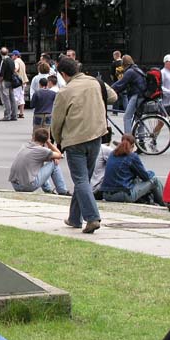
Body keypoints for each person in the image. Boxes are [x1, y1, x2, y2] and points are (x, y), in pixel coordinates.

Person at [52, 57, 117, 234]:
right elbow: (113, 96)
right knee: (84, 179)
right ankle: (74, 217)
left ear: (63, 74)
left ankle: (92, 217)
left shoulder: (65, 92)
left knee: (80, 180)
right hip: (96, 136)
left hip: (74, 140)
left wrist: (58, 140)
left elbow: (56, 121)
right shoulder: (95, 82)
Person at [99, 134, 165, 205]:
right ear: (133, 145)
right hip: (123, 195)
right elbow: (145, 177)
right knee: (155, 180)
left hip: (106, 195)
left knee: (136, 180)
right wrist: (151, 173)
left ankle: (147, 200)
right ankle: (163, 203)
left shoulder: (112, 154)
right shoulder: (132, 156)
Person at [9, 128, 69, 195]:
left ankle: (48, 190)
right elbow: (59, 155)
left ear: (34, 137)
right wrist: (49, 143)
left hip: (15, 185)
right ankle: (62, 191)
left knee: (39, 163)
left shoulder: (24, 146)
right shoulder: (42, 151)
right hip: (27, 186)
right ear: (46, 140)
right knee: (54, 164)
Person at [110, 54, 146, 134]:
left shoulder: (130, 71)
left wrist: (109, 89)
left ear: (124, 63)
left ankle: (128, 138)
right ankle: (141, 138)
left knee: (127, 117)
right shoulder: (136, 69)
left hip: (136, 95)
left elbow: (120, 83)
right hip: (142, 95)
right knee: (138, 117)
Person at [0, 47, 17, 121]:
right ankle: (14, 115)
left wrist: (0, 81)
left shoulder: (4, 61)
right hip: (11, 81)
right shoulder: (11, 60)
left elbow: (1, 73)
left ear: (0, 53)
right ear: (8, 52)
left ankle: (7, 115)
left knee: (6, 98)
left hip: (5, 81)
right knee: (12, 98)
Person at [11, 50, 28, 118]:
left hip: (17, 82)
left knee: (15, 97)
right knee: (21, 97)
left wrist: (12, 72)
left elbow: (15, 68)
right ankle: (21, 113)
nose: (11, 57)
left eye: (12, 55)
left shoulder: (16, 61)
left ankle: (14, 113)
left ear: (15, 55)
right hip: (23, 81)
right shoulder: (22, 61)